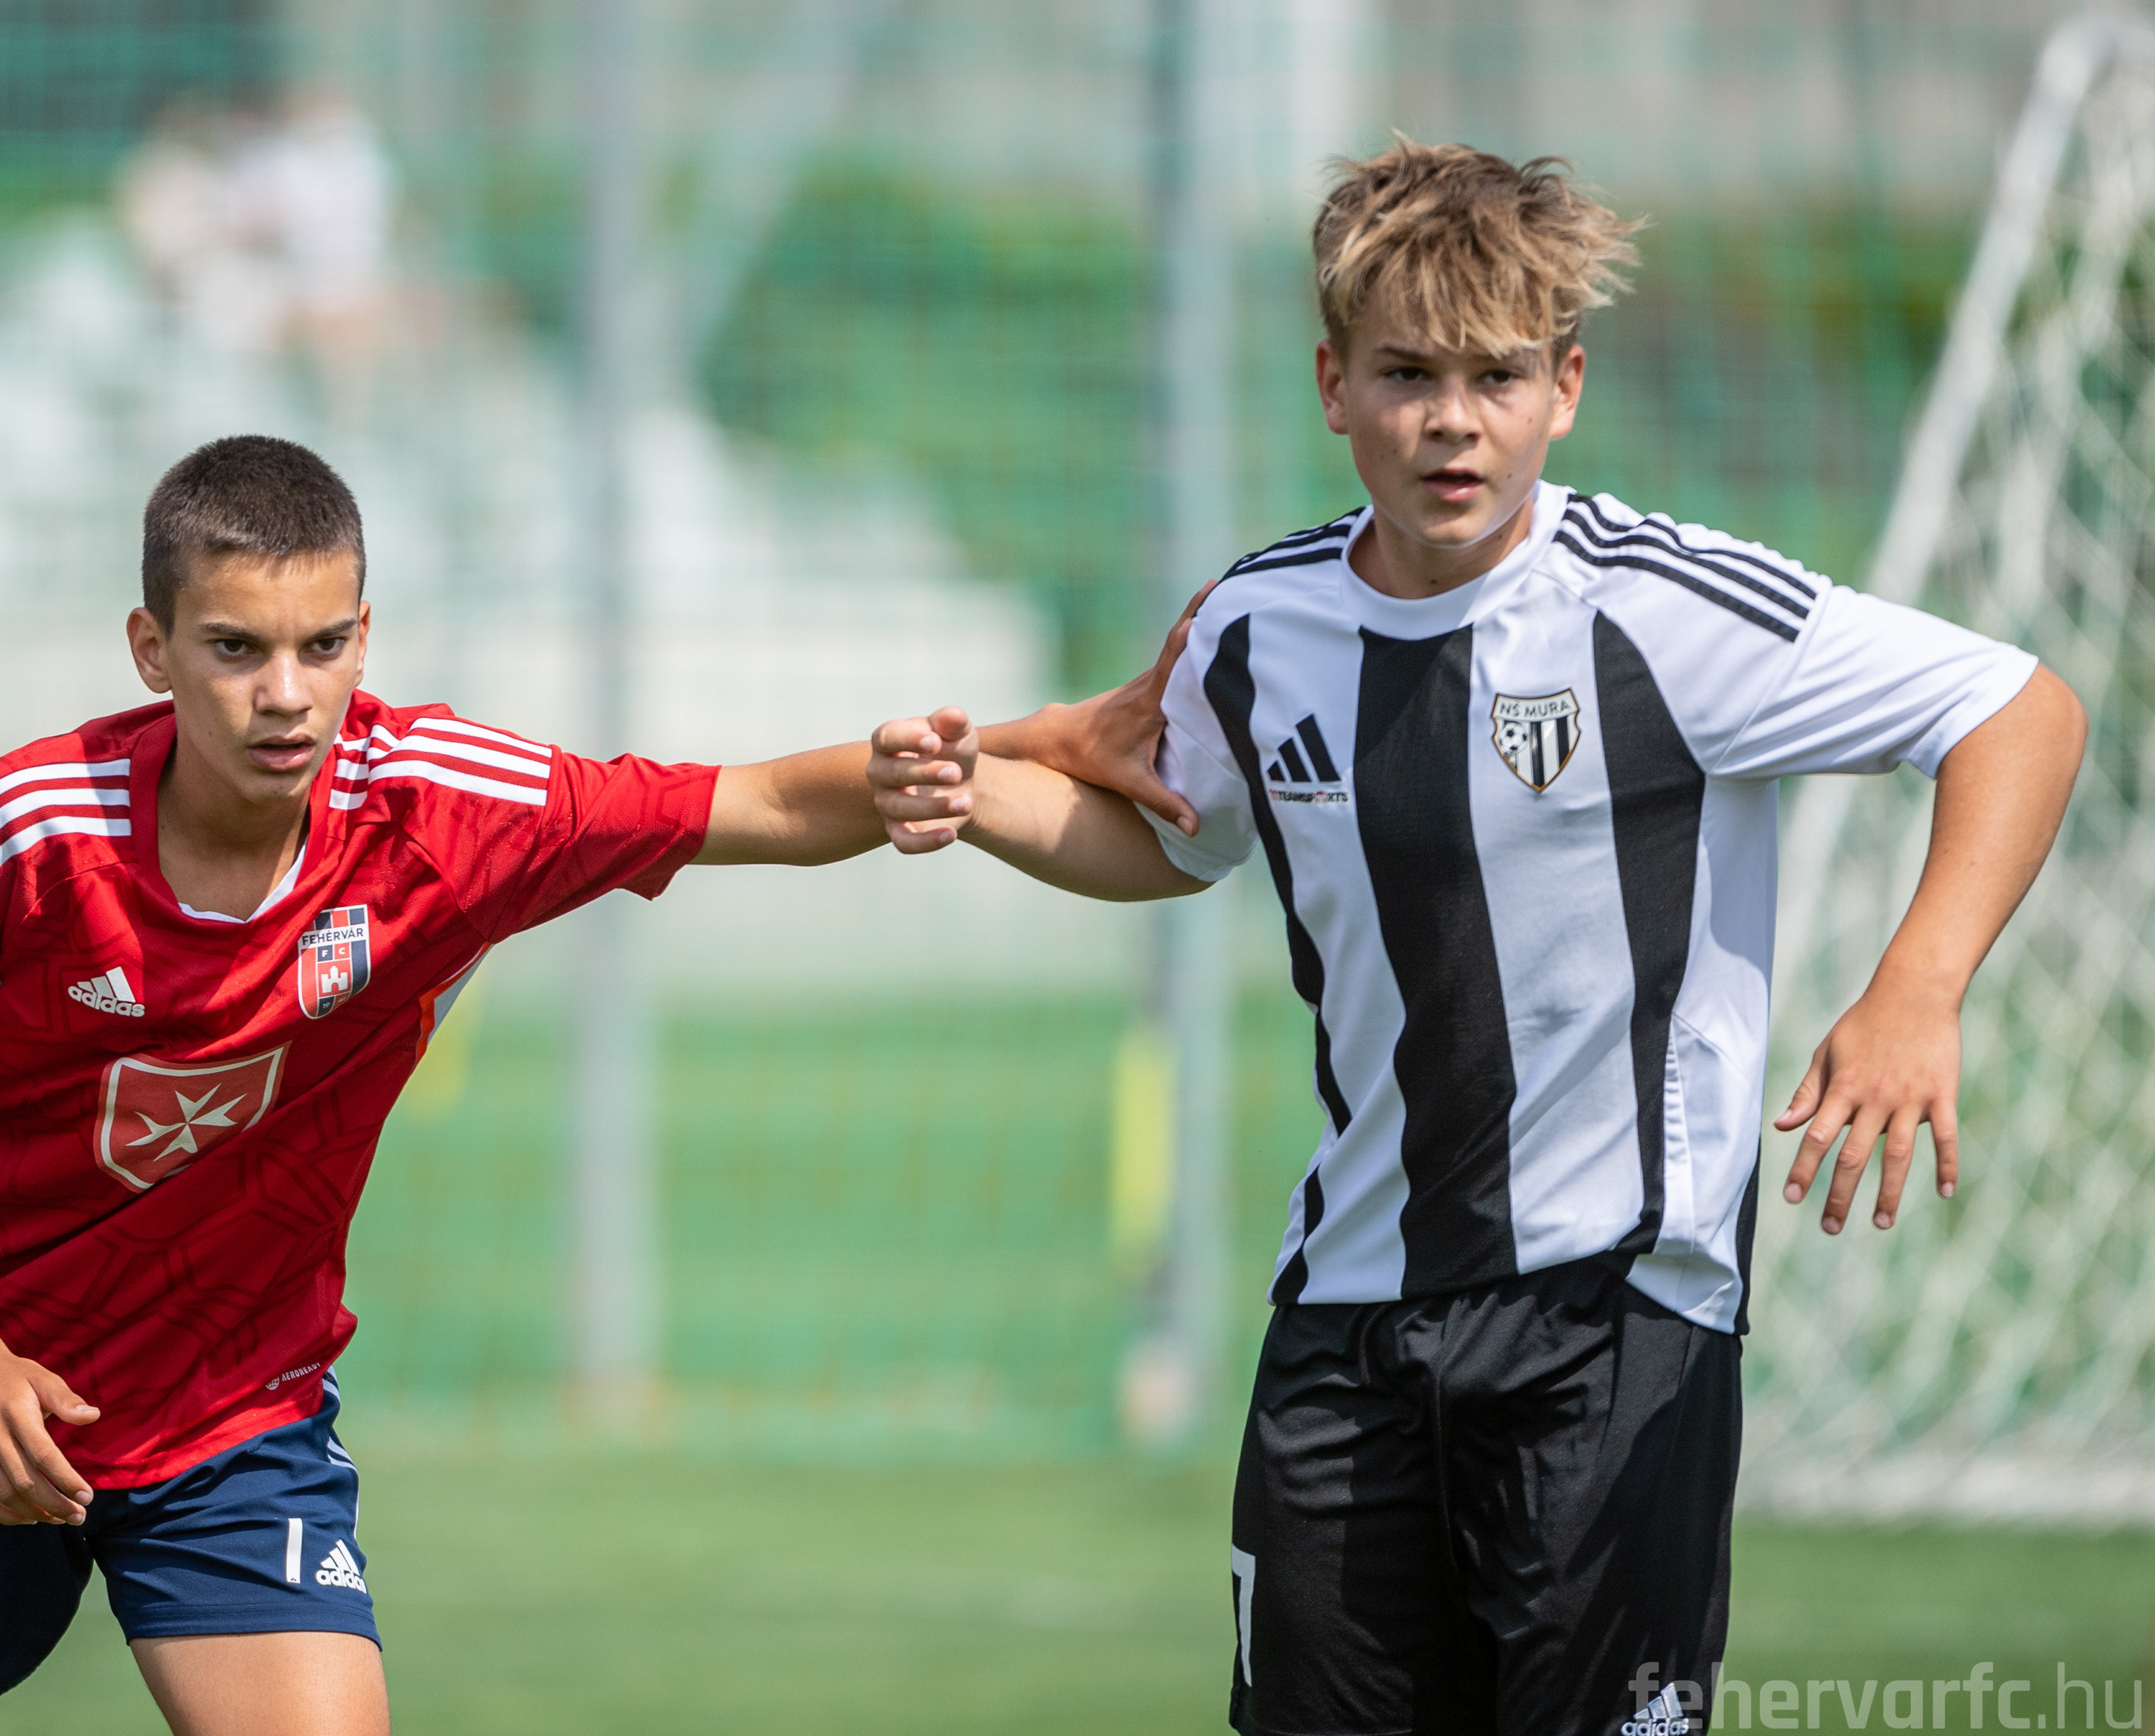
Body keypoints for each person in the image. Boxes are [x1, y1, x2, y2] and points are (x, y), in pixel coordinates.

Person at [866, 141, 2087, 1734]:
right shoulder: (1258, 628)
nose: (1454, 418)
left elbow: (2015, 708)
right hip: (1347, 1313)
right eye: (1408, 374)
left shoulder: (1662, 609)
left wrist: (1918, 986)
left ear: (1564, 388)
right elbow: (1174, 835)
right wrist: (972, 793)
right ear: (1333, 386)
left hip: (1616, 1314)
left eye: (1498, 375)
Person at [0, 435, 895, 1734]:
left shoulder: (443, 805)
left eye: (324, 645)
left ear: (365, 637)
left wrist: (1001, 751)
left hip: (230, 1412)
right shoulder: (33, 827)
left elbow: (760, 804)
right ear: (152, 649)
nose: (287, 694)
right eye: (235, 648)